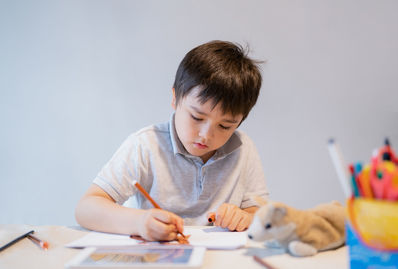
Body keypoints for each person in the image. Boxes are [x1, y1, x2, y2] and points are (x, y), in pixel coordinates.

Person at [75, 40, 269, 242]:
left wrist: (246, 217)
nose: (205, 135)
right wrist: (140, 222)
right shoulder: (145, 145)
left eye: (225, 126)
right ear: (175, 98)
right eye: (196, 117)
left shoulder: (243, 149)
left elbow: (260, 212)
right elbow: (86, 208)